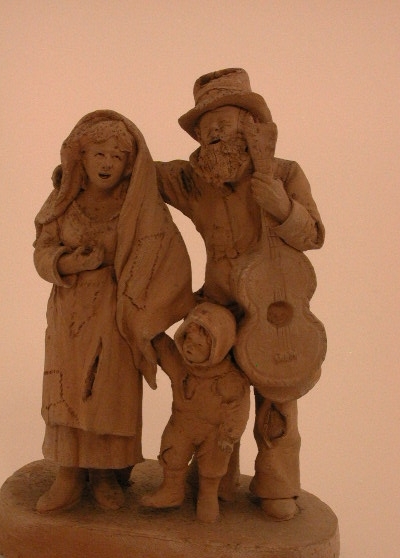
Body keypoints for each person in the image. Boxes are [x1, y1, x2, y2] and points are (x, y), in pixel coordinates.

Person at [155, 68, 325, 520]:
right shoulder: (193, 180)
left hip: (272, 307)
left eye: (224, 122)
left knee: (278, 398)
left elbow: (313, 235)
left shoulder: (284, 173)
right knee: (214, 397)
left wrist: (282, 207)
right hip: (219, 309)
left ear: (250, 126)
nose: (214, 132)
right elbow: (143, 175)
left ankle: (277, 485)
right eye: (206, 127)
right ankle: (215, 482)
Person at [33, 110, 194, 513]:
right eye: (99, 154)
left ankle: (106, 474)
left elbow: (164, 250)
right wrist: (68, 262)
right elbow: (42, 251)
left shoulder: (137, 204)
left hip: (117, 314)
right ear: (82, 157)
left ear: (129, 165)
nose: (107, 163)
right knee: (68, 391)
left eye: (117, 156)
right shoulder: (64, 200)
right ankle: (68, 474)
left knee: (108, 394)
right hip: (69, 314)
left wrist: (147, 304)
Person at [142, 302, 250, 523]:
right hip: (181, 425)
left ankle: (208, 496)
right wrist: (150, 326)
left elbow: (238, 410)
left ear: (218, 347)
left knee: (213, 466)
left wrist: (229, 434)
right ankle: (172, 490)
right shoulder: (180, 365)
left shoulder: (231, 380)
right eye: (187, 340)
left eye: (198, 345)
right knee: (173, 454)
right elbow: (164, 347)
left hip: (214, 432)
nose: (189, 348)